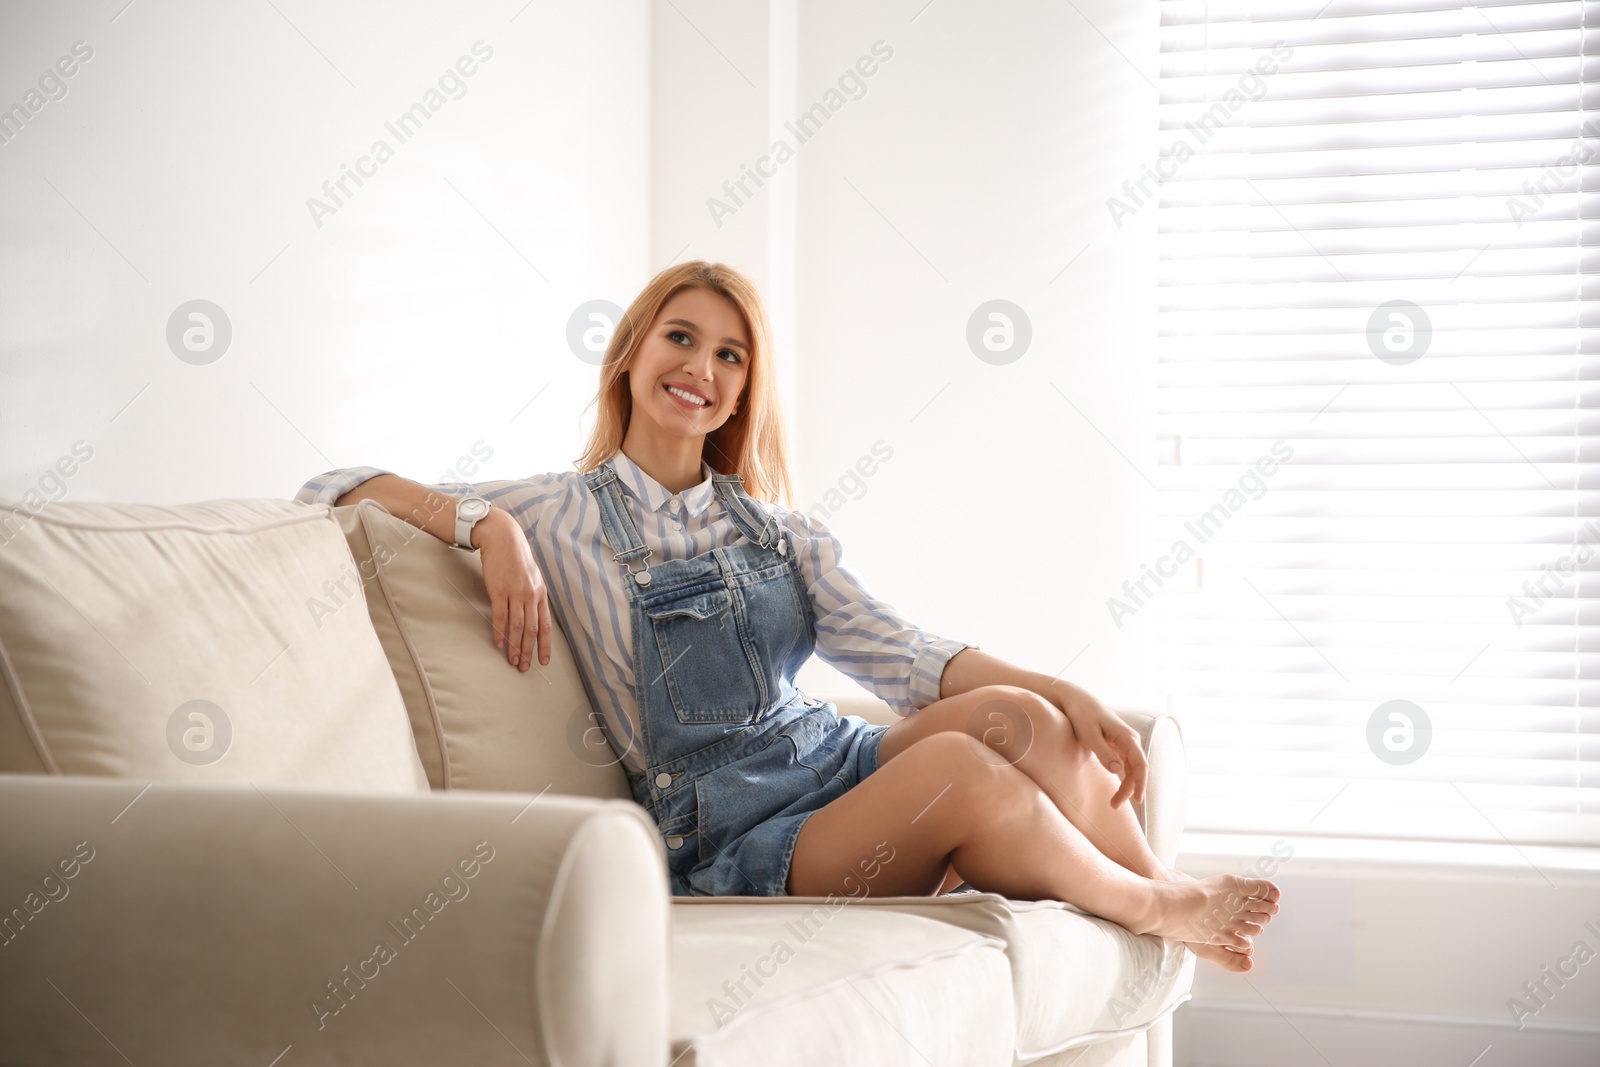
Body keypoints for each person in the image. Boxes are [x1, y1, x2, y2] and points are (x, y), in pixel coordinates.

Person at [296, 260, 1278, 972]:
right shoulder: (553, 509)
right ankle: (1155, 904)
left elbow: (902, 655)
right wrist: (486, 527)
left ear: (740, 392)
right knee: (958, 768)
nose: (702, 366)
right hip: (723, 826)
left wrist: (1067, 690)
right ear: (631, 353)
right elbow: (331, 483)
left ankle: (1159, 887)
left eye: (730, 353)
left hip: (832, 763)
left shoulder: (782, 530)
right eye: (680, 336)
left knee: (1020, 718)